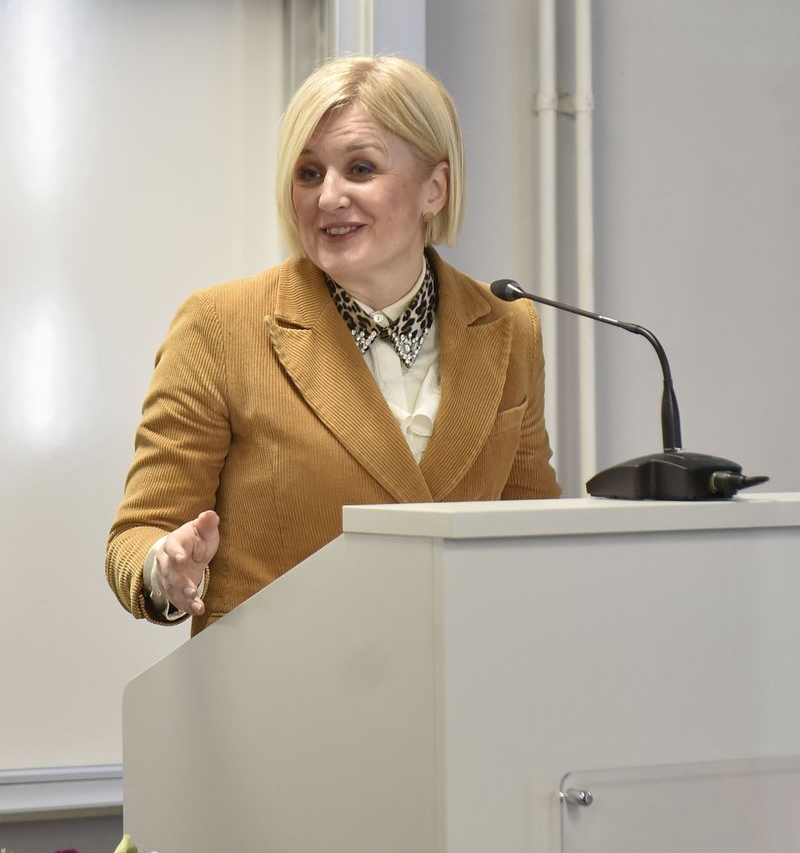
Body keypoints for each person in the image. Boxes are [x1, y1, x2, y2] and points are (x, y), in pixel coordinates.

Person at [106, 55, 560, 636]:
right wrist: (164, 568)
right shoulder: (219, 326)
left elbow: (531, 527)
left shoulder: (509, 327)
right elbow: (138, 533)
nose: (328, 198)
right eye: (309, 173)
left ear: (435, 188)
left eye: (360, 169)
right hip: (277, 679)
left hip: (457, 675)